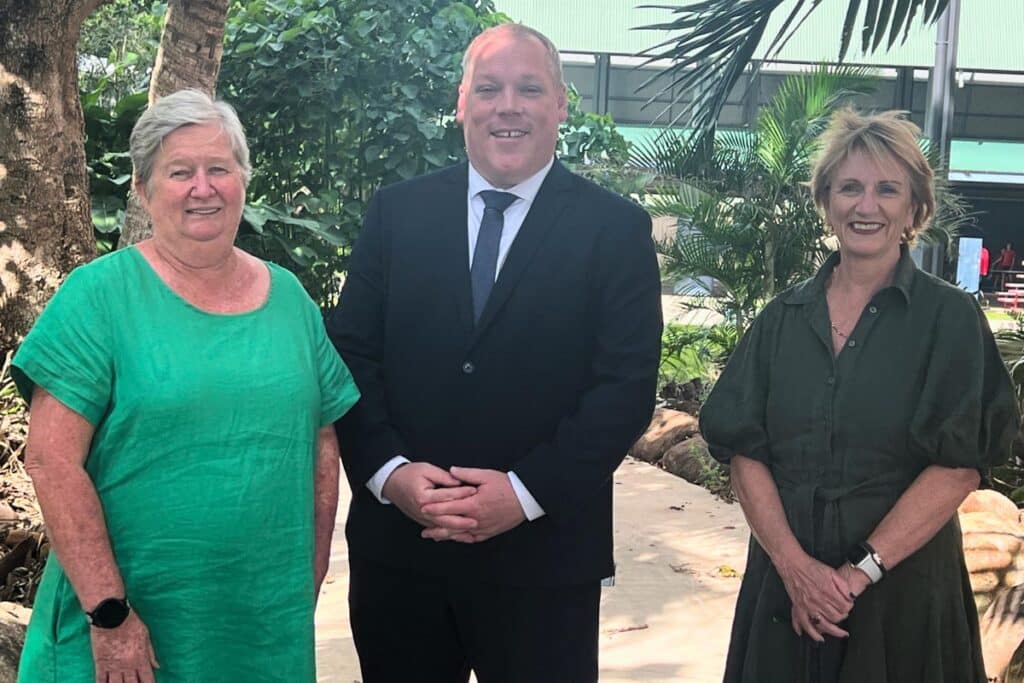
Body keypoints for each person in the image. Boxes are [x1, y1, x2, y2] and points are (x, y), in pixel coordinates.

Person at [326, 22, 662, 683]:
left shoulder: (615, 229)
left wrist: (523, 492)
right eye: (489, 88)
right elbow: (350, 357)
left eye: (529, 88)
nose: (507, 106)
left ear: (561, 104)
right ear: (461, 103)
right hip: (402, 556)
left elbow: (623, 389)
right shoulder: (395, 214)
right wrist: (392, 473)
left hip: (544, 560)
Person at [12, 89, 360, 682]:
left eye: (219, 168)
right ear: (144, 191)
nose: (204, 188)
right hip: (126, 631)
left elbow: (321, 445)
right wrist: (109, 613)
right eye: (180, 172)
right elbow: (50, 461)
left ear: (242, 181)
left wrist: (304, 580)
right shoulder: (99, 297)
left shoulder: (291, 302)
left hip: (259, 628)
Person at [700, 108, 1019, 683]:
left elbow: (959, 467)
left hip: (901, 599)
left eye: (886, 189)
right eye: (849, 187)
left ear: (914, 208)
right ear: (826, 201)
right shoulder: (781, 320)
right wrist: (797, 571)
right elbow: (745, 452)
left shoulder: (949, 320)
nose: (865, 206)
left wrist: (849, 579)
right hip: (784, 593)